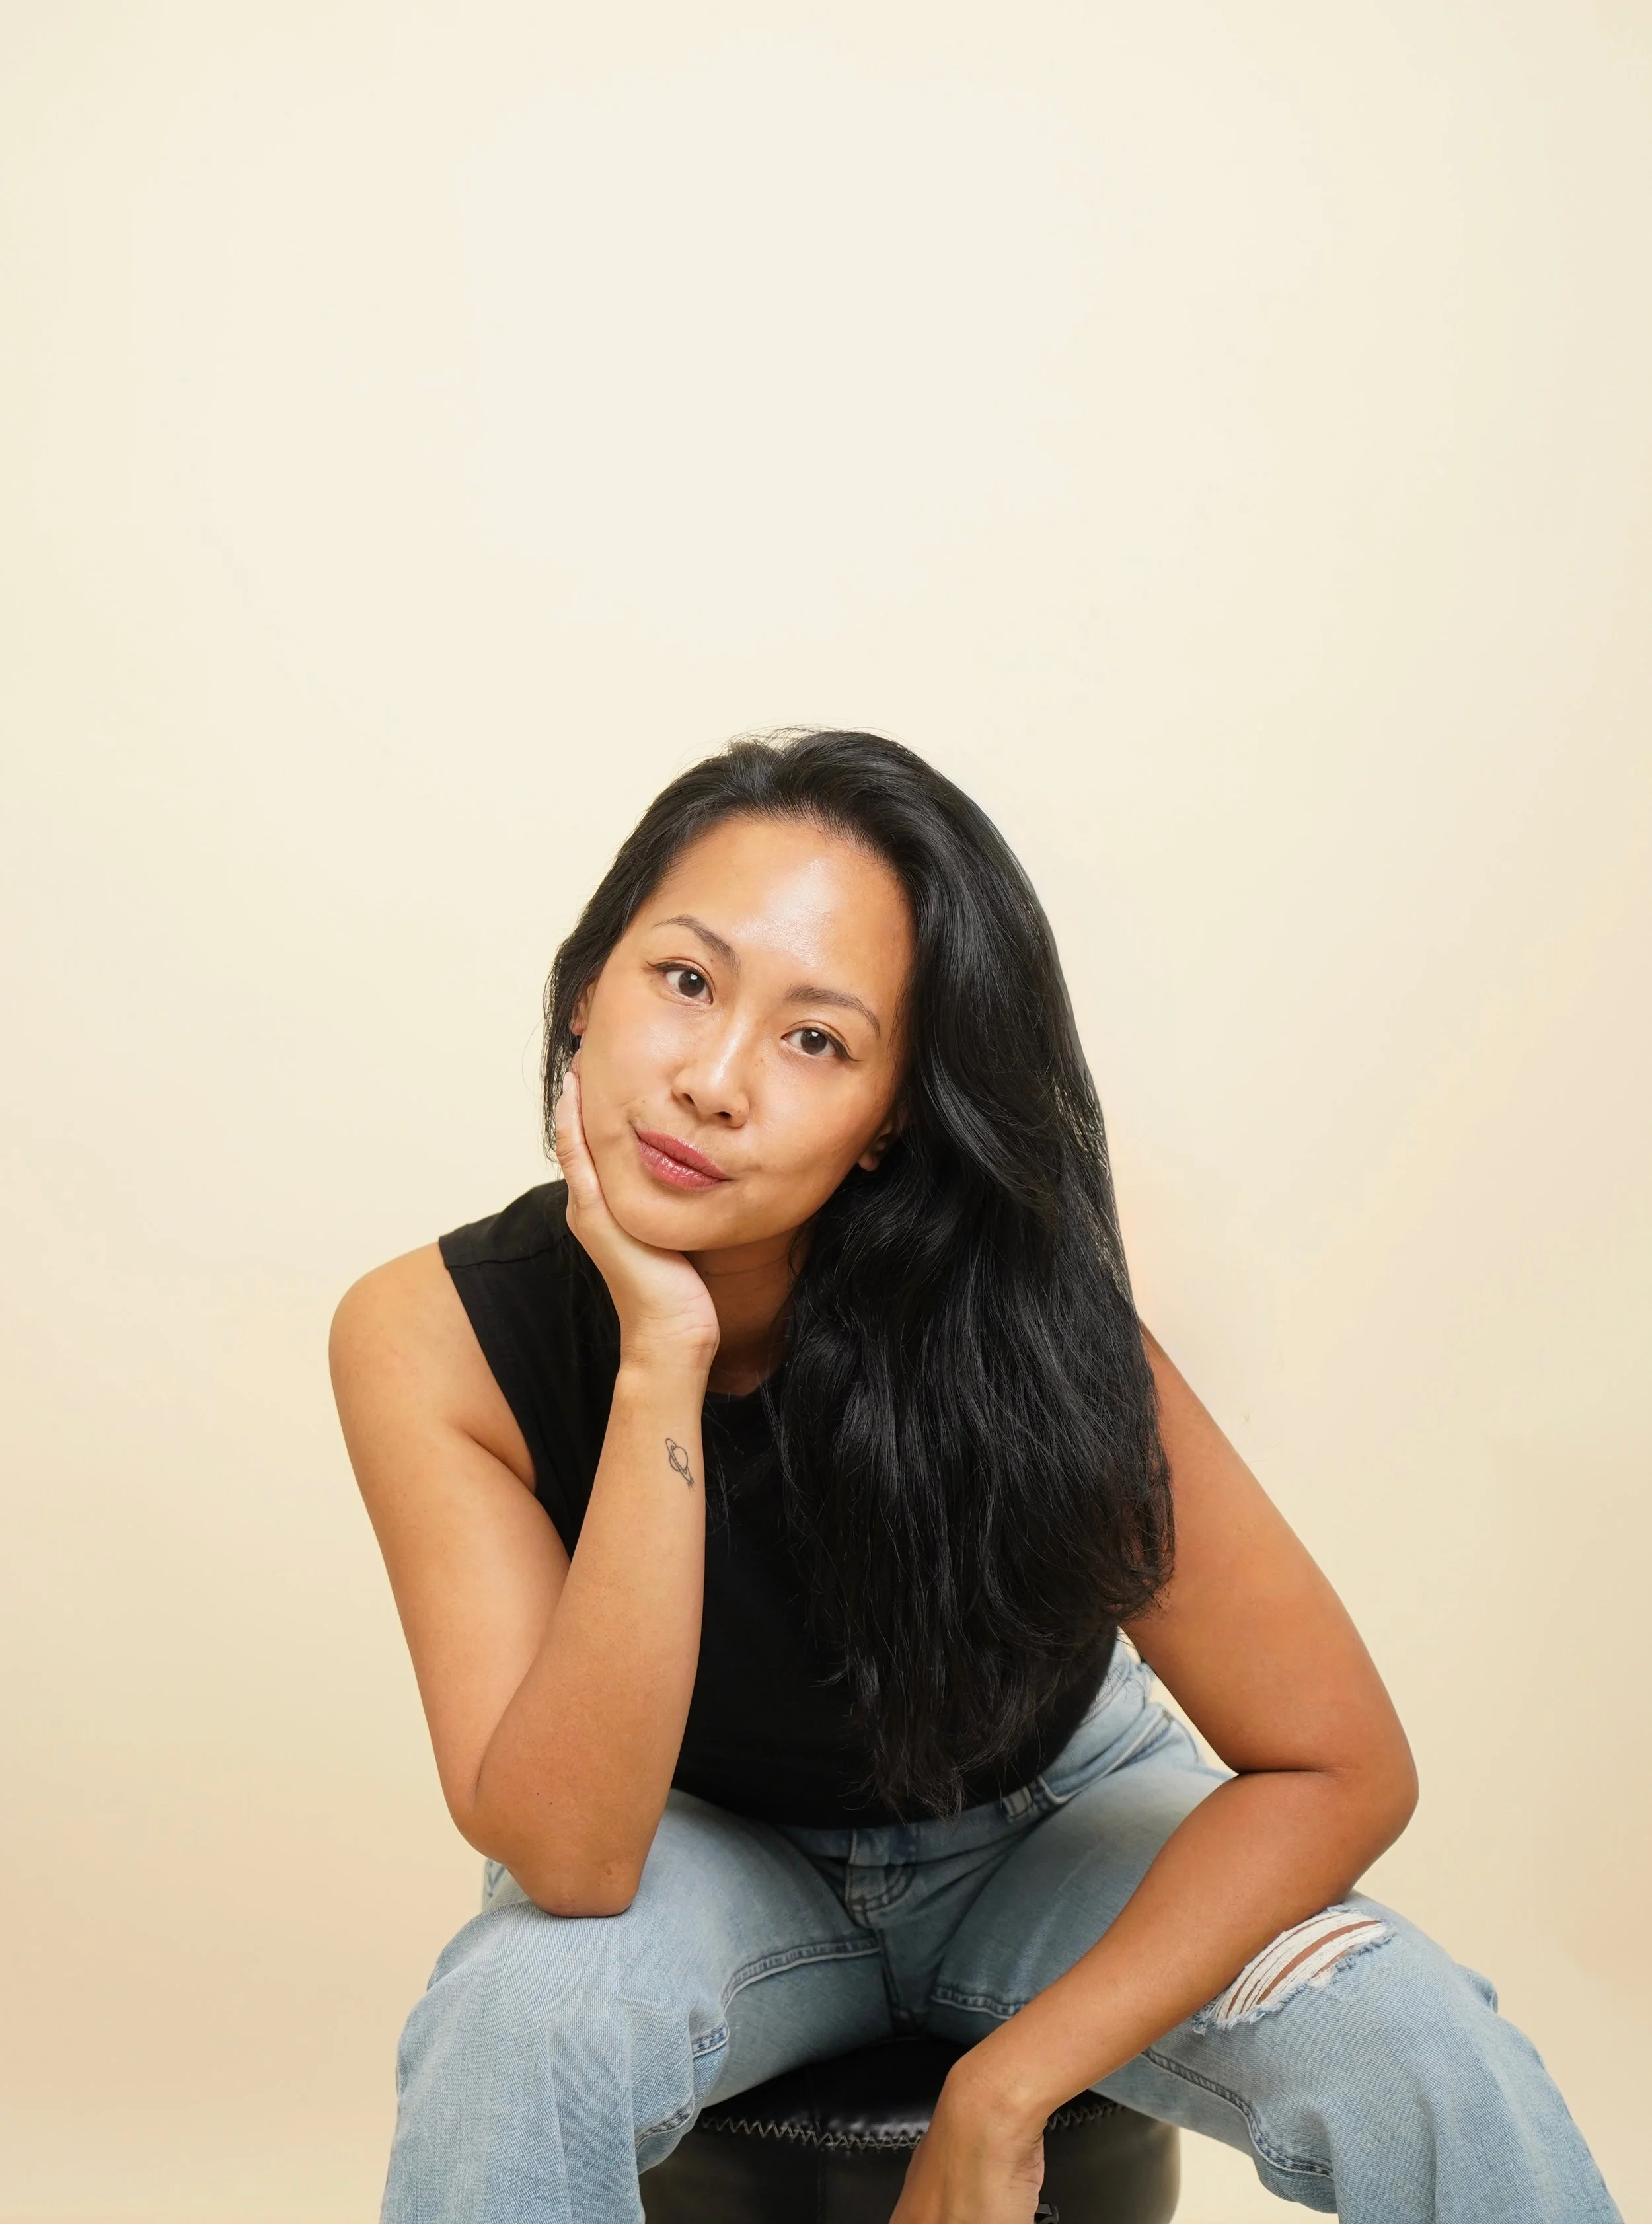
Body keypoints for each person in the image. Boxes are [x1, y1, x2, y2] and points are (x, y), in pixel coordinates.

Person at [330, 731, 1618, 2224]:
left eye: (818, 1041)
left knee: (1417, 2042)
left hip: (1054, 1829)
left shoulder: (1027, 1330)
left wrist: (1007, 2086)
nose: (712, 1080)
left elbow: (1340, 1761)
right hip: (698, 1854)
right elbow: (573, 1855)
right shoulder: (430, 1337)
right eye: (683, 979)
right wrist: (658, 1358)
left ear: (890, 1118)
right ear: (583, 990)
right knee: (511, 2025)